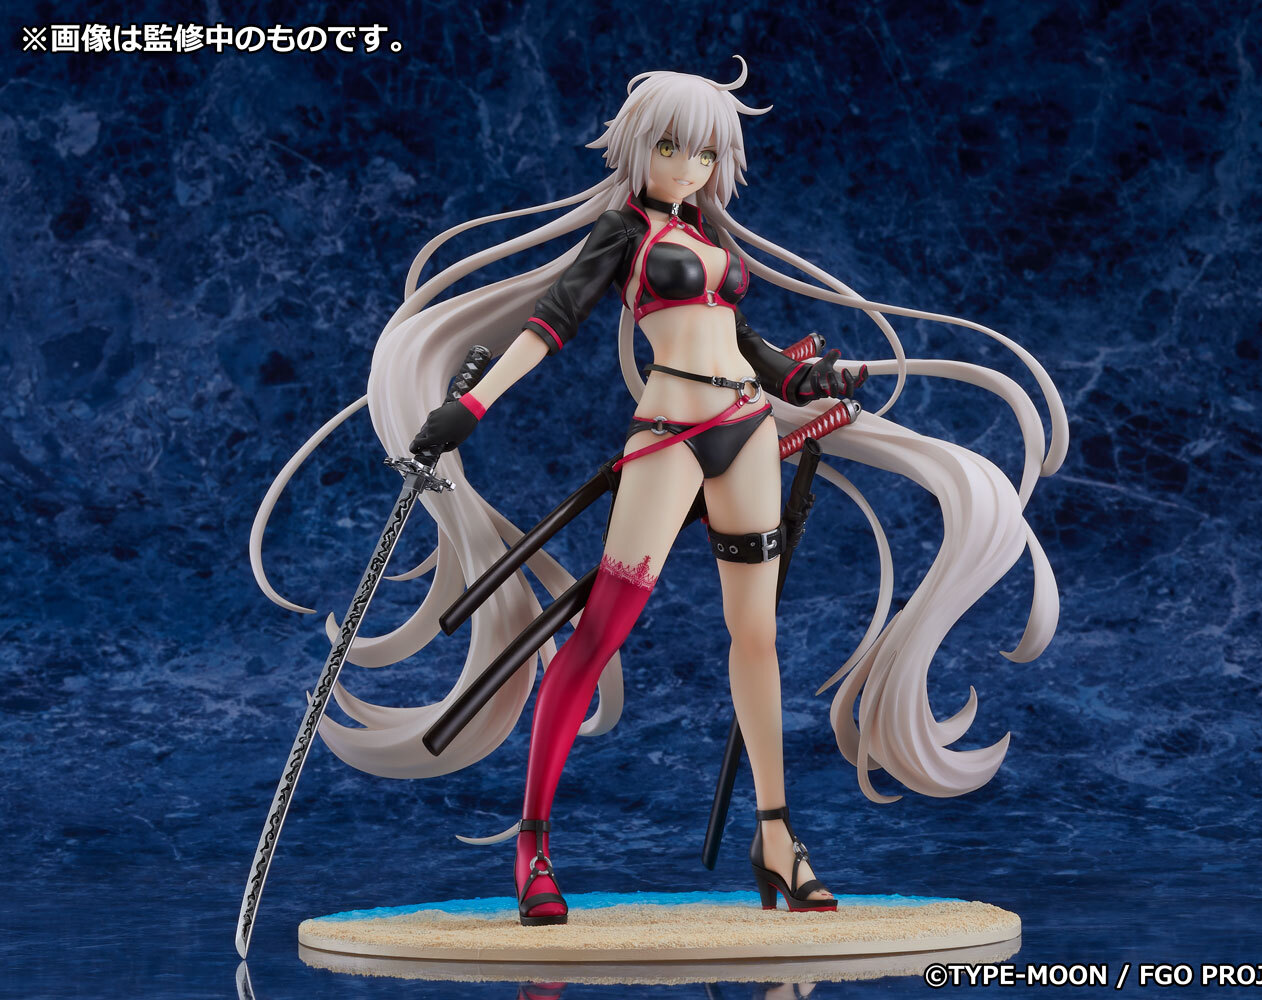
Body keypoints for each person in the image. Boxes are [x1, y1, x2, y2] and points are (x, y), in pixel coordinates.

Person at [250, 58, 1067, 927]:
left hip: (747, 432)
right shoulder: (622, 234)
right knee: (600, 629)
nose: (688, 167)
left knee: (756, 637)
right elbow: (550, 322)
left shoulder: (706, 236)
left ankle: (776, 838)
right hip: (669, 437)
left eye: (705, 153)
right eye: (672, 148)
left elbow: (743, 343)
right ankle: (533, 846)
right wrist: (472, 404)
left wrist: (805, 377)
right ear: (638, 147)